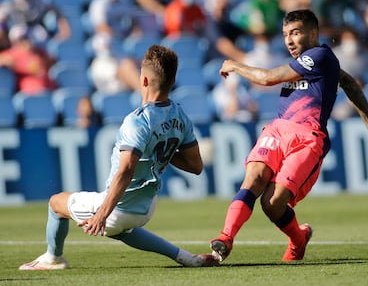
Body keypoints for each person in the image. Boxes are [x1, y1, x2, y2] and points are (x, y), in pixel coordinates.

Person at [209, 9, 368, 263]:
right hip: (278, 128)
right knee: (253, 178)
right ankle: (225, 238)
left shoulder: (319, 55)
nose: (289, 40)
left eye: (295, 33)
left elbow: (268, 78)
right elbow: (349, 83)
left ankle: (298, 239)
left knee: (272, 203)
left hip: (307, 137)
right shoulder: (321, 63)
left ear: (313, 32)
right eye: (285, 34)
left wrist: (235, 65)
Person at [19, 44, 219, 270]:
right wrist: (160, 150)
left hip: (120, 206)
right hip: (147, 206)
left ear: (143, 80)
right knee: (122, 229)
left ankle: (53, 258)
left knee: (56, 203)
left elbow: (125, 170)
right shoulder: (180, 116)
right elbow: (196, 166)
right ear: (172, 82)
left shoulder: (137, 121)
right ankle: (184, 257)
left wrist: (102, 213)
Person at [0, 24, 57, 95]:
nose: (24, 41)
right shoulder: (11, 53)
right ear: (13, 41)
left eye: (26, 37)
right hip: (30, 92)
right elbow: (3, 60)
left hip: (48, 89)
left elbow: (53, 61)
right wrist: (16, 65)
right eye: (21, 39)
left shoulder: (38, 52)